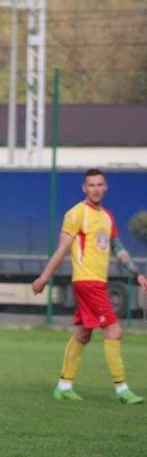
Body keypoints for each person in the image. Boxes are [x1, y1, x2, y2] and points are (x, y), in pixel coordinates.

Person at [32, 169, 147, 404]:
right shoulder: (76, 213)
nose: (96, 189)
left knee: (83, 334)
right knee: (114, 331)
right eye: (91, 185)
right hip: (87, 282)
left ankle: (64, 386)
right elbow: (62, 249)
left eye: (99, 184)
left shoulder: (107, 217)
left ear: (106, 187)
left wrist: (137, 273)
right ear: (84, 188)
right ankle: (122, 390)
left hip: (97, 283)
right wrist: (44, 277)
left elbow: (118, 248)